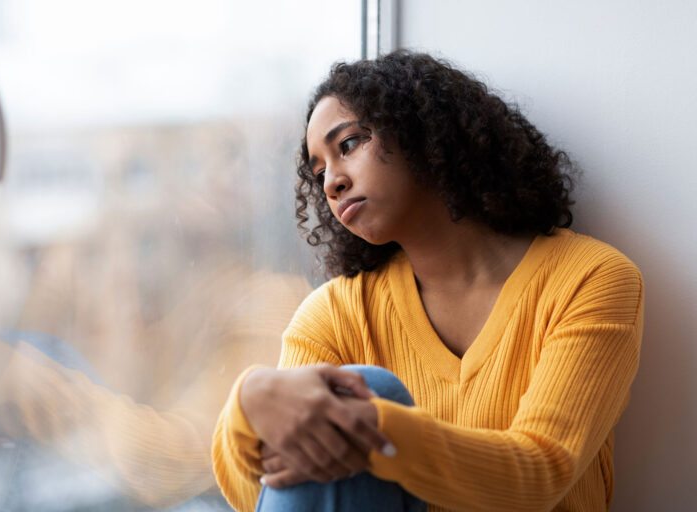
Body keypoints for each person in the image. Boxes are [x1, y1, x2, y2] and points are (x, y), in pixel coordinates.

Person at [211, 50, 644, 511]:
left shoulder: (589, 279)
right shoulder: (336, 313)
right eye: (320, 173)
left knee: (366, 390)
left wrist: (369, 428)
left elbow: (540, 474)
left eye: (350, 144)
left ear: (422, 131)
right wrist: (248, 405)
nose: (332, 182)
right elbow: (261, 496)